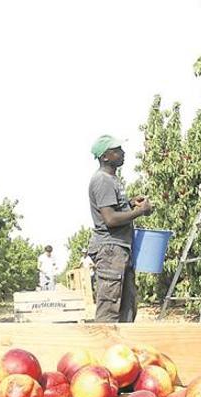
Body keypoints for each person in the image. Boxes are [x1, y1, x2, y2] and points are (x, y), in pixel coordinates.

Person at [87, 135, 152, 322]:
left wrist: (130, 204)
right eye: (117, 150)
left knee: (127, 305)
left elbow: (113, 209)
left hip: (120, 249)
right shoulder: (103, 180)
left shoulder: (112, 179)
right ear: (105, 157)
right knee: (110, 306)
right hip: (110, 249)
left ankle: (122, 349)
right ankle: (104, 349)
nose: (123, 153)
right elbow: (110, 219)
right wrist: (141, 212)